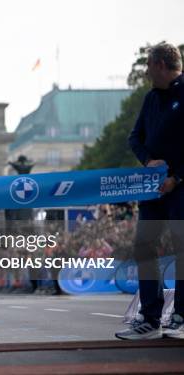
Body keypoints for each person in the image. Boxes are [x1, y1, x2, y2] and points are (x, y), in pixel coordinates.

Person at [116, 42, 184, 340]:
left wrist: (177, 176)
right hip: (152, 189)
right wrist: (148, 160)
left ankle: (180, 316)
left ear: (159, 64)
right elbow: (134, 137)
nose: (145, 71)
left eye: (147, 65)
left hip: (180, 187)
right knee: (144, 247)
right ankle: (150, 317)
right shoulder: (150, 98)